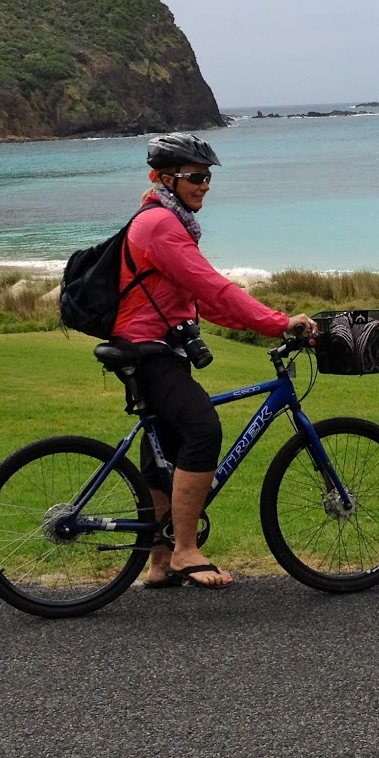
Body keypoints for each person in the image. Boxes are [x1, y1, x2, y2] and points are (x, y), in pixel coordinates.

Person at [113, 132, 313, 590]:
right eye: (196, 177)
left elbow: (204, 301)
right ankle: (185, 551)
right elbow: (213, 286)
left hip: (155, 347)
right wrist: (279, 323)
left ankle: (160, 562)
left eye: (207, 178)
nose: (204, 186)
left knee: (163, 455)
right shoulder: (161, 225)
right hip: (149, 350)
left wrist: (267, 322)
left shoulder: (165, 220)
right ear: (165, 178)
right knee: (203, 428)